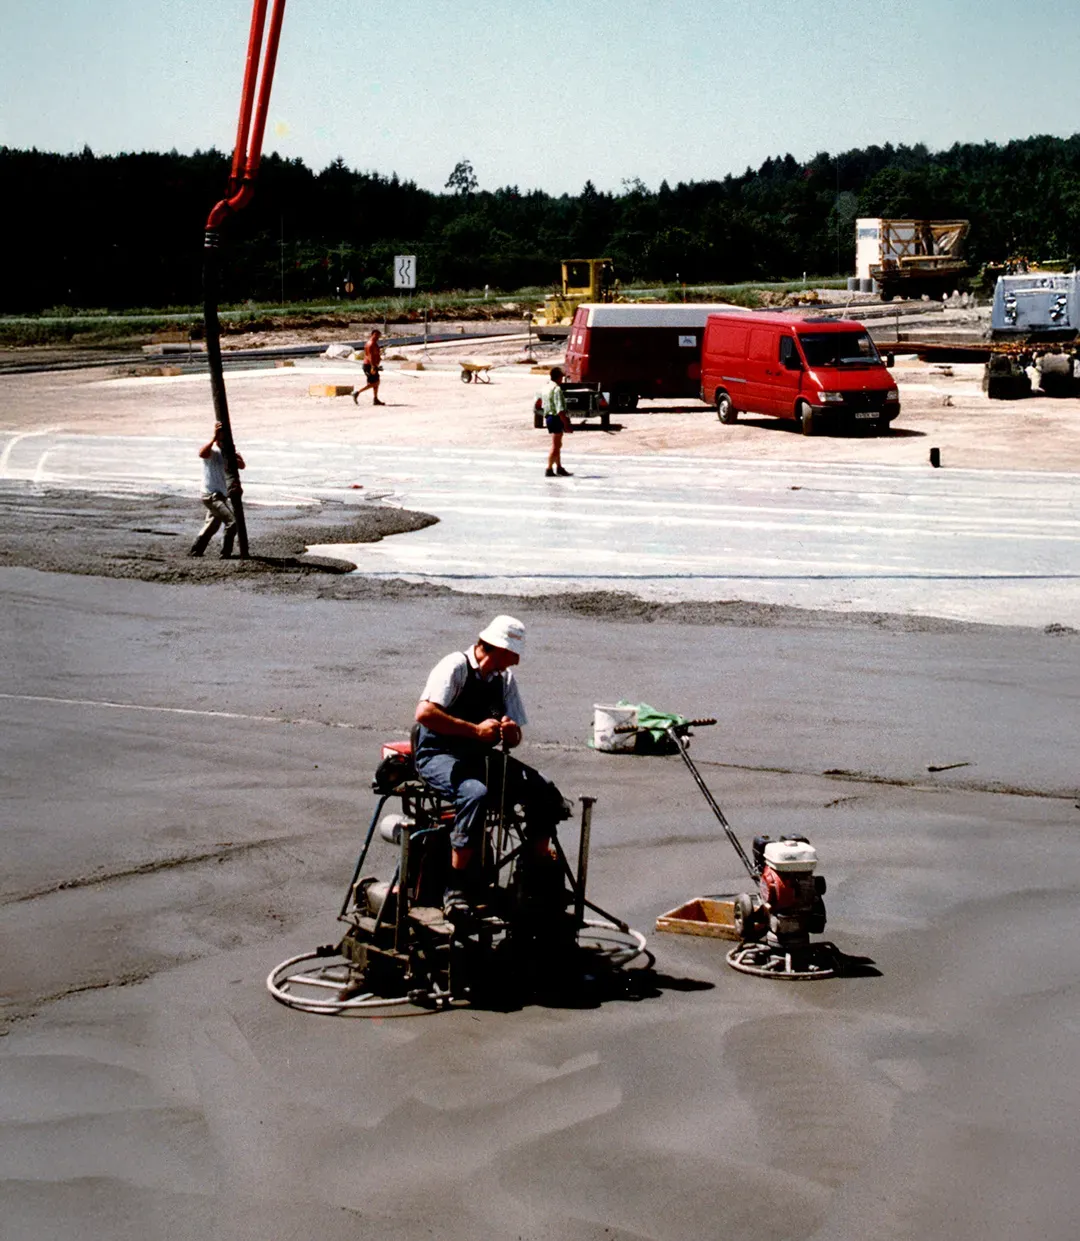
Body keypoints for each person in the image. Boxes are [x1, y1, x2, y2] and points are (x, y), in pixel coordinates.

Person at [413, 614, 571, 917]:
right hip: (437, 754)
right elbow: (424, 714)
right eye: (513, 654)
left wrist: (511, 733)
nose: (516, 662)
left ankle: (534, 872)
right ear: (497, 648)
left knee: (544, 790)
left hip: (478, 755)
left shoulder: (505, 680)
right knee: (475, 793)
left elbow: (515, 735)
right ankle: (456, 887)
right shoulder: (455, 667)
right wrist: (474, 731)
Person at [188, 423, 245, 558]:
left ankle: (196, 550)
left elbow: (242, 466)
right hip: (211, 495)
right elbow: (201, 453)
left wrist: (234, 454)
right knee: (233, 522)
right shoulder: (212, 452)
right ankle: (226, 553)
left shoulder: (229, 454)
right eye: (222, 440)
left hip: (221, 496)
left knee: (212, 525)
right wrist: (214, 438)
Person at [541, 366, 572, 477]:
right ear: (558, 378)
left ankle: (559, 467)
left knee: (558, 444)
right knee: (555, 445)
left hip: (549, 416)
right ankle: (549, 468)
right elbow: (560, 409)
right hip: (555, 417)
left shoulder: (546, 387)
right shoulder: (557, 389)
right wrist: (567, 423)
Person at [351, 329, 385, 405]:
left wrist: (377, 365)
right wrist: (373, 367)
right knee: (373, 383)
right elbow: (370, 357)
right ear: (372, 335)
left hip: (373, 365)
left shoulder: (375, 344)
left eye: (378, 336)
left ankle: (375, 399)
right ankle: (357, 392)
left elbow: (377, 356)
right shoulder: (370, 344)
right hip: (368, 365)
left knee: (377, 381)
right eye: (376, 335)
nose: (377, 337)